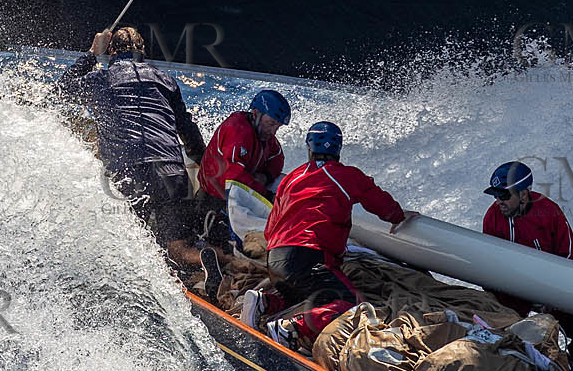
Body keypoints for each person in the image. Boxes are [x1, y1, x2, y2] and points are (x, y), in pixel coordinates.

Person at [59, 26, 227, 294]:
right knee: (179, 247)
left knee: (128, 245)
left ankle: (143, 285)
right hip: (172, 170)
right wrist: (201, 161)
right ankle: (205, 257)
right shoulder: (166, 80)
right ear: (143, 52)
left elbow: (61, 90)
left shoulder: (99, 80)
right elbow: (188, 130)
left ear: (110, 51)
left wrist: (92, 54)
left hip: (130, 173)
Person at [263, 121, 417, 305]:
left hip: (274, 260)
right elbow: (379, 202)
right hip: (310, 257)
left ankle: (267, 305)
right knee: (352, 306)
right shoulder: (348, 175)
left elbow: (269, 230)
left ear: (309, 147)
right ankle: (294, 328)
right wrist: (398, 217)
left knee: (301, 297)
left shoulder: (290, 179)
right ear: (338, 149)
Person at [481, 160, 573, 371]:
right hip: (512, 292)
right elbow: (489, 261)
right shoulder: (493, 217)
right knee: (498, 329)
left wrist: (553, 296)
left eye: (504, 195)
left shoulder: (549, 213)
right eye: (495, 195)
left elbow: (568, 259)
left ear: (524, 194)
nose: (498, 201)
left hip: (552, 289)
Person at [196, 90, 290, 242]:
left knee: (282, 183)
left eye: (277, 127)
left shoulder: (265, 135)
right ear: (255, 114)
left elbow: (277, 158)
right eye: (271, 124)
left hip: (243, 198)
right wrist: (266, 195)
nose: (273, 131)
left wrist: (266, 177)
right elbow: (234, 176)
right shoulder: (236, 130)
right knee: (224, 243)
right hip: (214, 202)